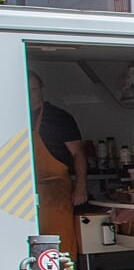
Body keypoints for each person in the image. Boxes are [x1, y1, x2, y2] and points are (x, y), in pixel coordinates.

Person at [27, 72, 87, 258]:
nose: (30, 94)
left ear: (42, 90)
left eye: (34, 89)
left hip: (55, 191)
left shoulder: (59, 118)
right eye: (26, 90)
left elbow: (78, 154)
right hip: (26, 192)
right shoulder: (14, 118)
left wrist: (81, 186)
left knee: (58, 246)